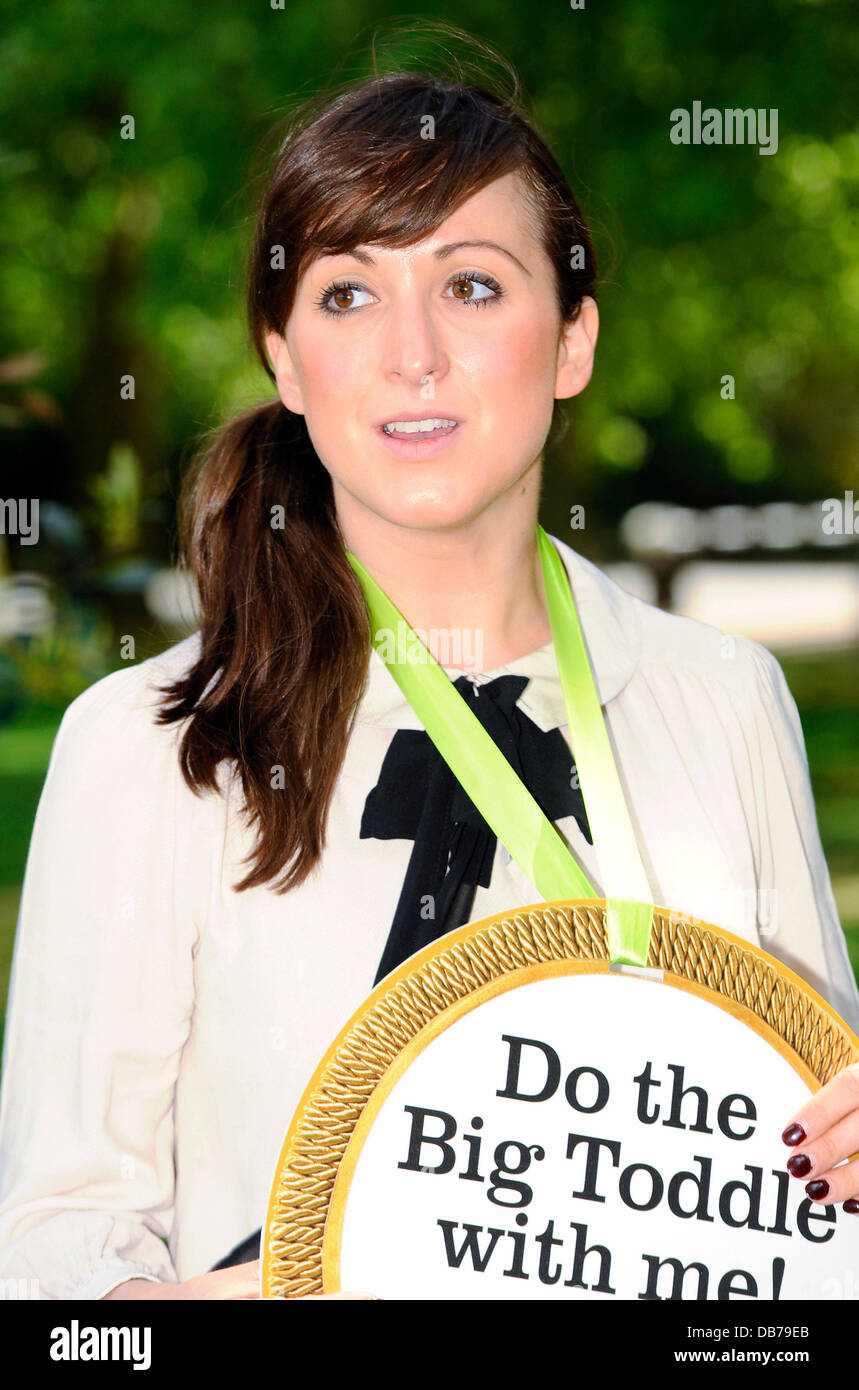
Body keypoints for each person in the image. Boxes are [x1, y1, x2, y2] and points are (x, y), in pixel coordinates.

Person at [1, 52, 858, 1304]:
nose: (412, 354)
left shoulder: (723, 695)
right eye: (347, 296)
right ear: (286, 364)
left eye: (469, 285)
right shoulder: (148, 741)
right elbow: (61, 1298)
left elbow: (804, 1160)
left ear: (570, 342)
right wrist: (321, 1275)